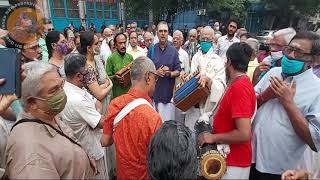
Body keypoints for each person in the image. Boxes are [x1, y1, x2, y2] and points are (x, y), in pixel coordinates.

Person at [5, 61, 94, 179]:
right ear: (32, 102)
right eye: (54, 90)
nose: (62, 93)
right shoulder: (30, 152)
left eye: (61, 85)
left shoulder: (49, 115)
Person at [250, 32, 320, 180]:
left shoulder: (317, 89)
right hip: (251, 157)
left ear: (312, 60)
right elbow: (249, 106)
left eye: (299, 53)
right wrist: (265, 96)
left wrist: (288, 103)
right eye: (289, 49)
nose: (291, 56)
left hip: (281, 170)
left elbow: (315, 141)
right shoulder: (273, 73)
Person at [199, 42, 256, 179]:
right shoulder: (238, 83)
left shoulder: (240, 87)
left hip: (234, 163)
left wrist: (213, 137)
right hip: (229, 159)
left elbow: (244, 133)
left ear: (229, 62)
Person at [101, 56, 162, 180]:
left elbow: (105, 141)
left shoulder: (115, 104)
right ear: (148, 77)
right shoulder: (153, 117)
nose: (156, 81)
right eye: (156, 77)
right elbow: (160, 159)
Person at [60, 54, 108, 179]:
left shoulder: (76, 88)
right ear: (78, 76)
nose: (90, 76)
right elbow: (102, 122)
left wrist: (94, 117)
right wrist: (96, 119)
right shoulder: (76, 100)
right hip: (90, 153)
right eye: (87, 72)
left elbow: (97, 102)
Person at [188, 26, 226, 130]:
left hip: (210, 109)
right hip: (194, 105)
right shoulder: (196, 57)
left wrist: (209, 81)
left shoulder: (218, 61)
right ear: (199, 39)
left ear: (213, 40)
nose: (205, 41)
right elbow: (192, 76)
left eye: (208, 39)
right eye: (203, 39)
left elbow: (221, 85)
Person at [147, 21, 181, 121]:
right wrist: (156, 72)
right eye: (160, 31)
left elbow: (178, 71)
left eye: (165, 31)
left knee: (167, 129)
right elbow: (147, 72)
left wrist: (169, 73)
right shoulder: (152, 50)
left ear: (168, 33)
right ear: (157, 33)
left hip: (168, 97)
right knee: (155, 129)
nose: (163, 33)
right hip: (154, 97)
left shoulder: (173, 51)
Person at [79, 31, 112, 102]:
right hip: (95, 105)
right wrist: (110, 85)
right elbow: (99, 95)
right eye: (96, 44)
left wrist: (103, 86)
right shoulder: (85, 67)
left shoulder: (97, 57)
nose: (99, 45)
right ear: (88, 48)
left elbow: (105, 76)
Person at [106, 33, 134, 99]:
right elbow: (107, 78)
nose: (123, 45)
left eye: (124, 43)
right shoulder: (111, 59)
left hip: (129, 95)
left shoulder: (130, 57)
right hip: (117, 96)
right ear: (115, 45)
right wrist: (115, 78)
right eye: (120, 43)